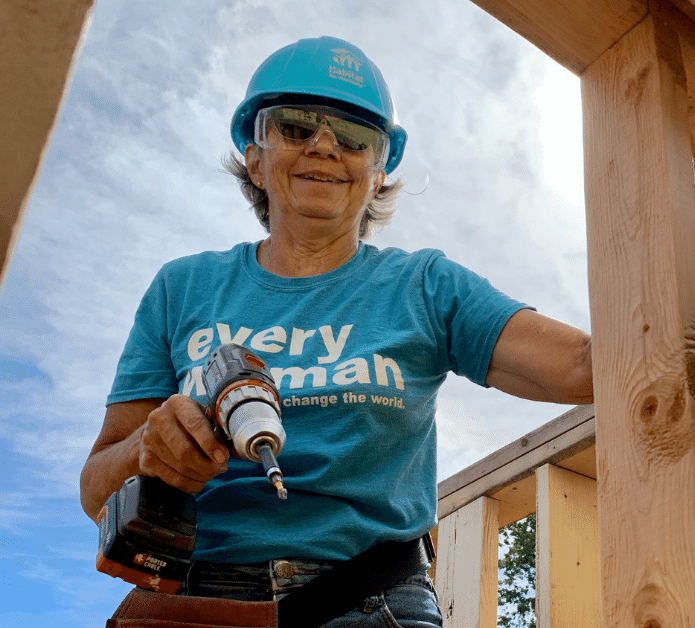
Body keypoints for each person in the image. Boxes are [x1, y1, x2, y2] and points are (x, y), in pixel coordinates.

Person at [80, 36, 593, 627]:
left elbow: (585, 366)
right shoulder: (183, 289)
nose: (324, 147)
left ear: (378, 171)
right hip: (188, 603)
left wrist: (691, 249)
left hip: (367, 600)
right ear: (254, 157)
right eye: (297, 127)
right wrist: (151, 452)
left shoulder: (425, 286)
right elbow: (97, 492)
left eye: (354, 137)